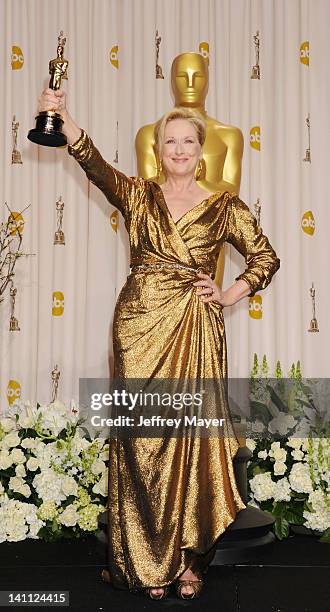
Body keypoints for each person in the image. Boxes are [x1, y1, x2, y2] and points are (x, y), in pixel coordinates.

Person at [37, 89, 280, 600]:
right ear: (158, 149)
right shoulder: (138, 195)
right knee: (144, 441)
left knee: (190, 442)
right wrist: (62, 117)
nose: (178, 149)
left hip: (194, 329)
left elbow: (264, 257)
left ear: (201, 148)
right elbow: (96, 166)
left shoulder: (223, 206)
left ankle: (189, 564)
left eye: (187, 141)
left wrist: (229, 292)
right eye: (170, 140)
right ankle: (149, 564)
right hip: (139, 325)